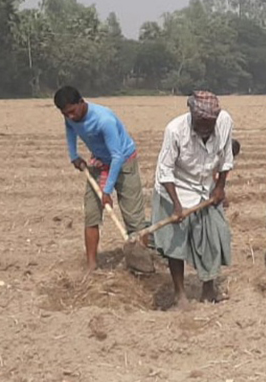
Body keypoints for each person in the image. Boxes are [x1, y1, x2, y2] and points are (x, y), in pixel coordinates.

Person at [152, 91, 234, 308]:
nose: (206, 127)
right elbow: (165, 171)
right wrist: (177, 206)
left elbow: (226, 157)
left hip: (205, 188)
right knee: (175, 246)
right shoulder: (175, 130)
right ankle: (180, 296)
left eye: (210, 122)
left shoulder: (224, 122)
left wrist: (220, 187)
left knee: (213, 239)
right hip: (175, 189)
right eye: (201, 122)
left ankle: (209, 290)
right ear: (191, 115)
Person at [55, 86, 146, 272]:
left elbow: (117, 156)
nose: (70, 116)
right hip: (99, 162)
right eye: (66, 113)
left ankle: (142, 264)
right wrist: (74, 155)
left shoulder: (104, 120)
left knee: (134, 220)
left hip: (124, 161)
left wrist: (107, 191)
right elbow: (70, 129)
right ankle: (91, 265)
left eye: (72, 111)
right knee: (91, 215)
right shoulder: (69, 117)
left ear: (81, 102)